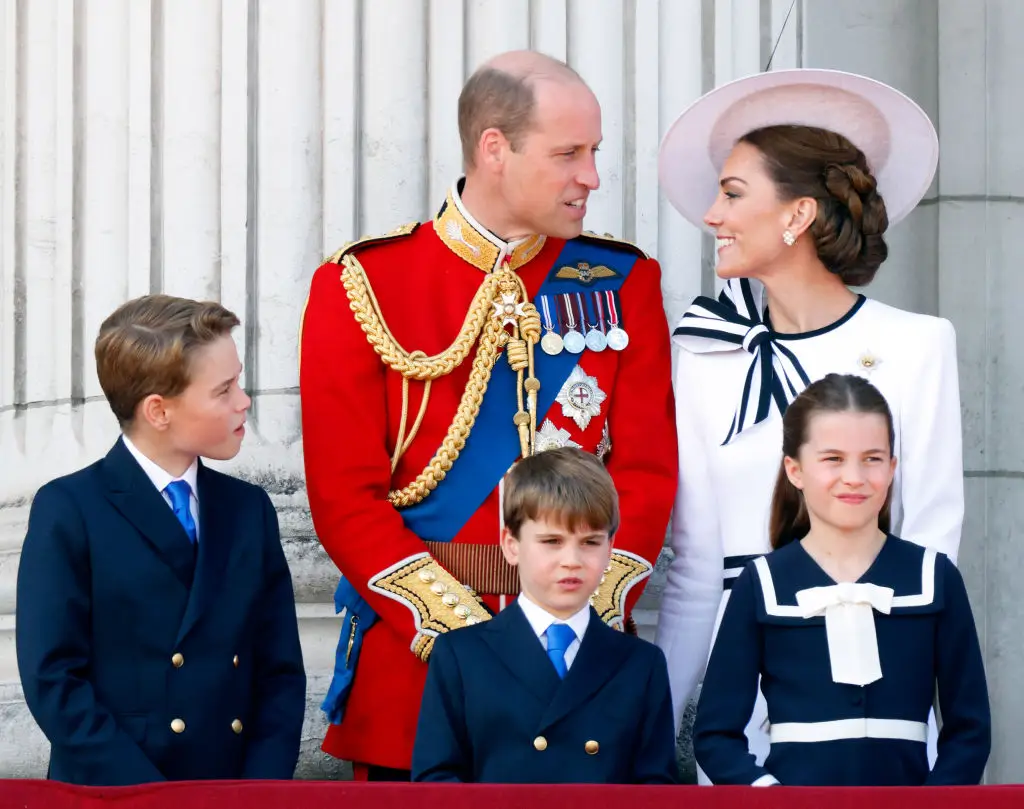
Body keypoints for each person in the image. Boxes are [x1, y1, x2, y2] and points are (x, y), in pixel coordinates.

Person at [300, 50, 677, 780]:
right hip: (420, 665)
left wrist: (567, 621)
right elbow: (346, 499)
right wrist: (470, 639)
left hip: (580, 665)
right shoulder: (364, 284)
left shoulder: (624, 281)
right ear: (494, 149)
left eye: (594, 152)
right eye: (569, 153)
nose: (591, 177)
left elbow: (648, 473)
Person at [653, 68, 963, 776]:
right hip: (743, 698)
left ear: (797, 216)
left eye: (733, 195)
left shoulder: (921, 345)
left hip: (878, 684)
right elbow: (696, 570)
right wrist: (656, 725)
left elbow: (933, 550)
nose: (711, 215)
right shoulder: (702, 355)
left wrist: (928, 722)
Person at [16, 295, 306, 786]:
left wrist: (258, 793)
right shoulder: (70, 509)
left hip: (232, 793)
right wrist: (151, 798)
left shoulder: (248, 509)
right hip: (116, 791)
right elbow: (54, 681)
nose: (244, 400)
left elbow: (279, 674)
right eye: (223, 389)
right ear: (158, 411)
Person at [693, 373, 990, 786]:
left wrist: (932, 802)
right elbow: (714, 735)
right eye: (833, 458)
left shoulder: (935, 578)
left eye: (872, 458)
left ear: (892, 467)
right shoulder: (760, 584)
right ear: (794, 470)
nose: (854, 476)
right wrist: (769, 795)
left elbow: (970, 731)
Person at [411, 447, 678, 784]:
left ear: (611, 548)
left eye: (590, 542)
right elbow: (437, 784)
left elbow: (655, 791)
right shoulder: (461, 655)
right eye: (552, 541)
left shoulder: (641, 664)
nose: (572, 560)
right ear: (511, 544)